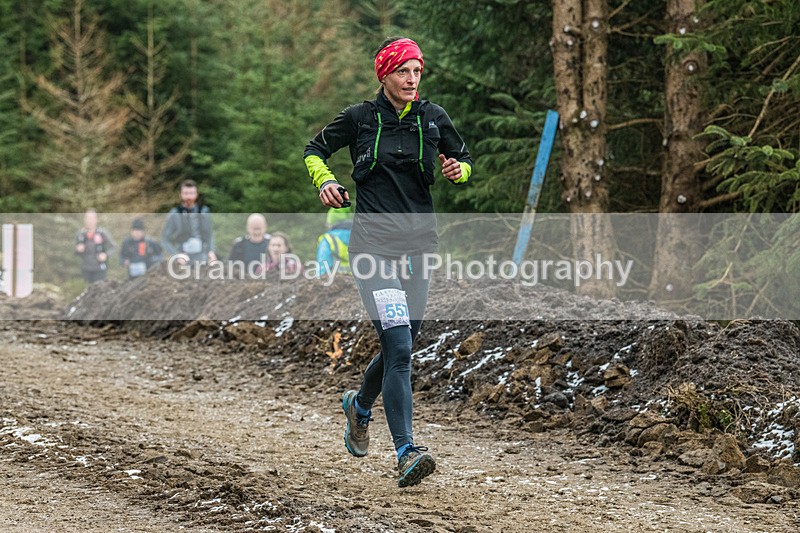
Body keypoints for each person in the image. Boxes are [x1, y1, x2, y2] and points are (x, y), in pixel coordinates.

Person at [303, 37, 472, 487]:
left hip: (419, 248)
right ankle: (406, 451)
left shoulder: (433, 118)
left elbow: (463, 157)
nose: (412, 80)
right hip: (373, 251)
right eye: (403, 72)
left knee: (404, 342)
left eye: (418, 72)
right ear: (385, 75)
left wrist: (459, 169)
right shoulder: (359, 118)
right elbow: (314, 150)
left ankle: (359, 407)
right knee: (398, 346)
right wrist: (325, 181)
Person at [161, 179, 217, 264]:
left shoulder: (203, 211)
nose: (189, 197)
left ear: (196, 194)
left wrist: (211, 251)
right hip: (182, 256)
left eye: (191, 193)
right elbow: (165, 239)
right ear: (180, 195)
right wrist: (176, 255)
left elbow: (209, 234)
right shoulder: (175, 214)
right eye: (186, 193)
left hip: (201, 256)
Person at [75, 209, 115, 284]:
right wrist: (78, 249)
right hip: (86, 268)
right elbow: (75, 253)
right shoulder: (81, 234)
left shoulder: (102, 233)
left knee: (99, 291)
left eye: (91, 218)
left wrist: (106, 255)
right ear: (84, 219)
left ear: (96, 220)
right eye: (87, 218)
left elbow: (113, 247)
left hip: (99, 269)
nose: (89, 221)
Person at [316, 206, 353, 275]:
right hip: (361, 283)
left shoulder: (327, 239)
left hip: (336, 283)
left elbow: (322, 269)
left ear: (331, 223)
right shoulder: (362, 236)